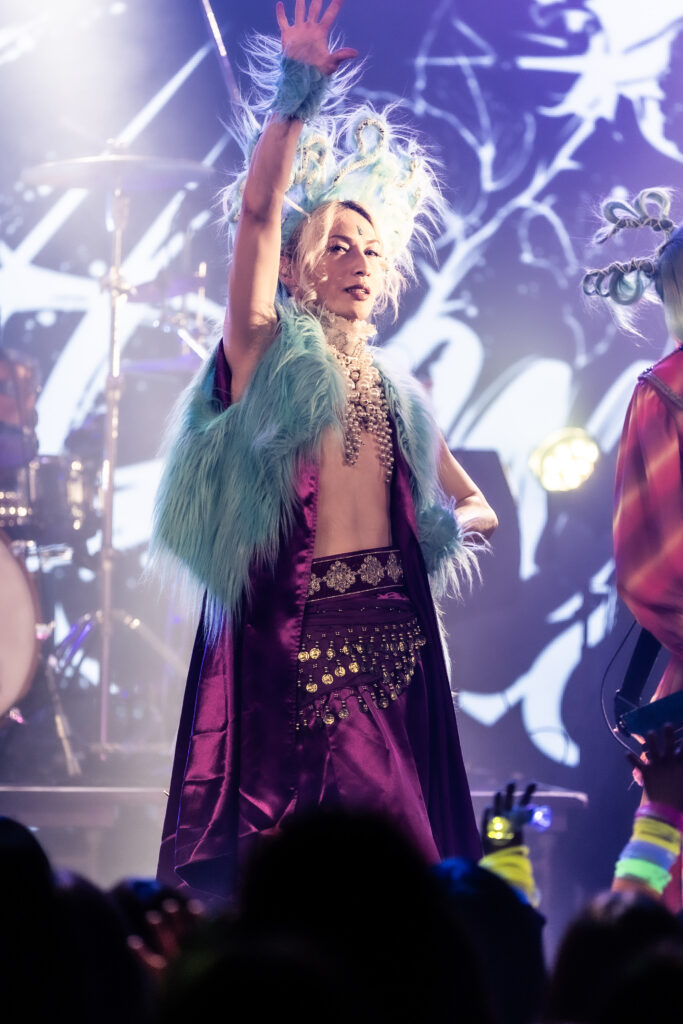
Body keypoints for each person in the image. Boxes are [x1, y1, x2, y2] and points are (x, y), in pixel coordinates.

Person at [151, 0, 497, 905]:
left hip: (394, 638)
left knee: (393, 863)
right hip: (296, 640)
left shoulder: (398, 394)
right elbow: (257, 211)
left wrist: (441, 531)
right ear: (298, 265)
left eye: (371, 250)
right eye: (337, 245)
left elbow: (478, 504)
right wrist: (294, 96)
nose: (358, 260)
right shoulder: (264, 350)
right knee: (324, 859)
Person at [583, 188, 683, 905]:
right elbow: (657, 569)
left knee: (655, 881)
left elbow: (653, 568)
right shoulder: (664, 393)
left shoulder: (662, 392)